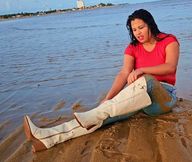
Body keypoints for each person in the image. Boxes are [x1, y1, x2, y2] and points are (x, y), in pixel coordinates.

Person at [23, 9, 180, 152]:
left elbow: (170, 67)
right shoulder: (132, 47)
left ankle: (92, 115)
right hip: (141, 98)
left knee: (146, 80)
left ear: (150, 24)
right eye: (134, 29)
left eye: (141, 27)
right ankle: (49, 137)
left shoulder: (168, 40)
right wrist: (108, 98)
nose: (138, 32)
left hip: (164, 97)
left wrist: (141, 70)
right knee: (102, 117)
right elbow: (124, 73)